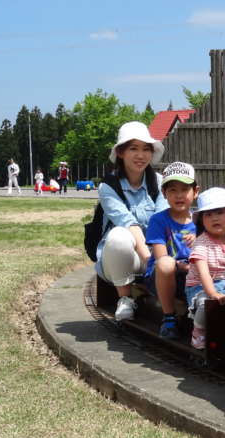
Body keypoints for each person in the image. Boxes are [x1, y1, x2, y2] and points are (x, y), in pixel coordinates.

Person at [95, 121, 168, 322]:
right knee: (119, 236)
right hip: (121, 259)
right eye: (133, 148)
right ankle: (125, 299)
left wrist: (159, 260)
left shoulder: (160, 183)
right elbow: (129, 223)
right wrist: (152, 263)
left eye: (146, 149)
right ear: (120, 152)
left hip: (154, 253)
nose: (141, 155)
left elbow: (161, 223)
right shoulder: (108, 187)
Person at [144, 162, 198, 339]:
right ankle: (168, 317)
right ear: (164, 193)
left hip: (193, 275)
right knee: (166, 263)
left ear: (195, 192)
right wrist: (184, 268)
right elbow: (161, 257)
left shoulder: (202, 220)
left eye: (185, 189)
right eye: (173, 190)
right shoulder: (158, 220)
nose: (179, 195)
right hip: (162, 276)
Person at [184, 187, 225, 349]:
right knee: (205, 303)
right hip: (201, 286)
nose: (214, 218)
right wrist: (213, 293)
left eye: (219, 212)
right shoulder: (201, 243)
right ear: (201, 220)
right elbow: (203, 274)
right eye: (208, 214)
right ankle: (198, 331)